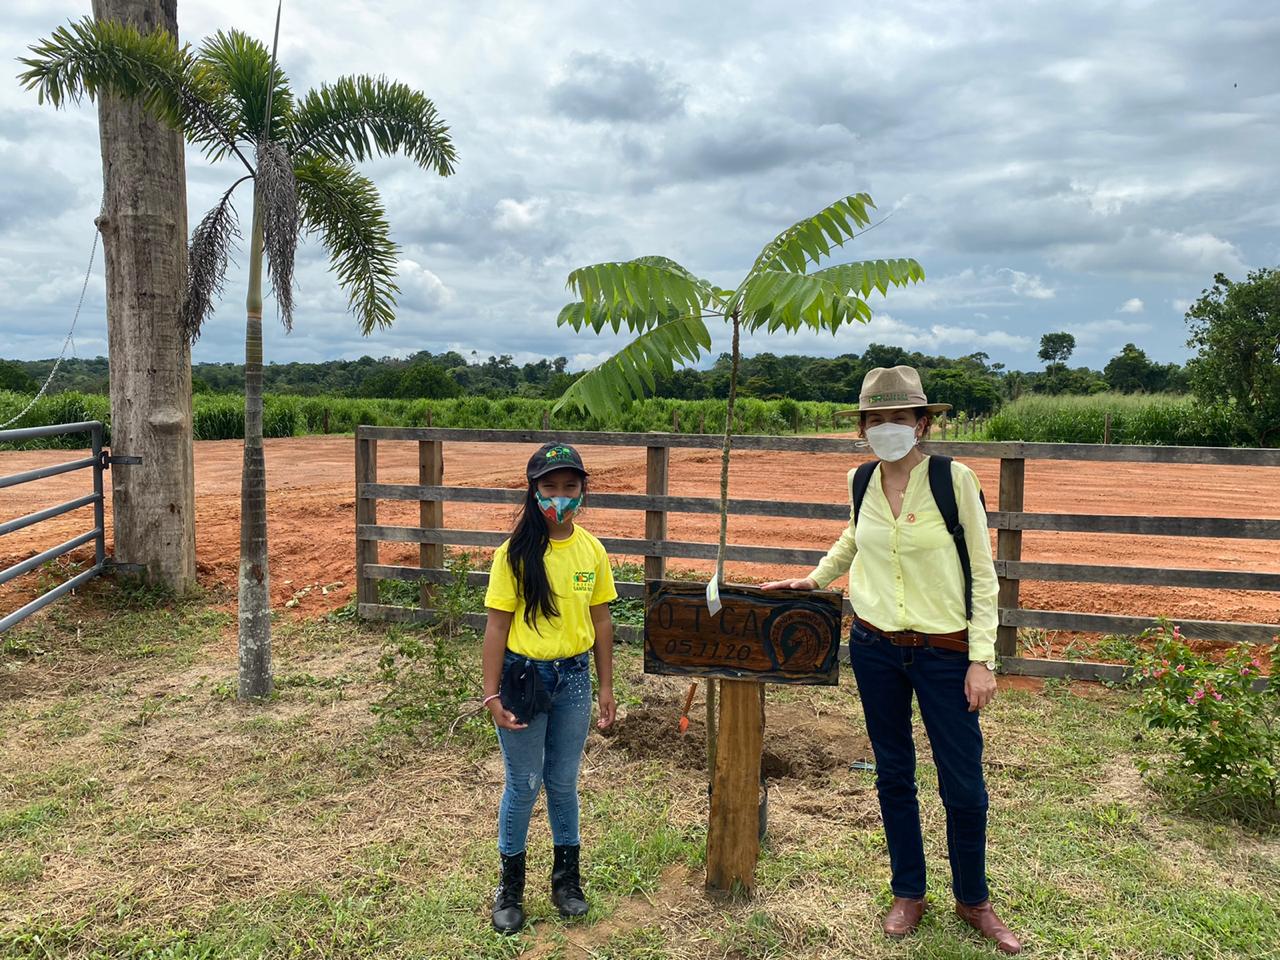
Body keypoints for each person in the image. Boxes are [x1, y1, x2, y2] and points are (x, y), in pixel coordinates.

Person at [763, 365, 1021, 955]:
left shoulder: (954, 480)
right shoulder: (861, 480)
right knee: (893, 773)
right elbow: (855, 536)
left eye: (899, 418)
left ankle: (974, 898)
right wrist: (814, 579)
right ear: (861, 427)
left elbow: (984, 573)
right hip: (876, 646)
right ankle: (909, 890)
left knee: (963, 781)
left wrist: (982, 658)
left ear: (923, 423)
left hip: (945, 652)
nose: (886, 428)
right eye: (875, 419)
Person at [480, 442, 618, 935]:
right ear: (533, 491)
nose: (560, 497)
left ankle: (566, 881)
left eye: (569, 487)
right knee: (524, 783)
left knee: (563, 783)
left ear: (583, 491)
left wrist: (606, 685)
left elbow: (601, 620)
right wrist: (491, 695)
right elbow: (496, 627)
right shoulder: (514, 555)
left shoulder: (592, 552)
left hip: (575, 680)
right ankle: (510, 886)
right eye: (549, 487)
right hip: (523, 680)